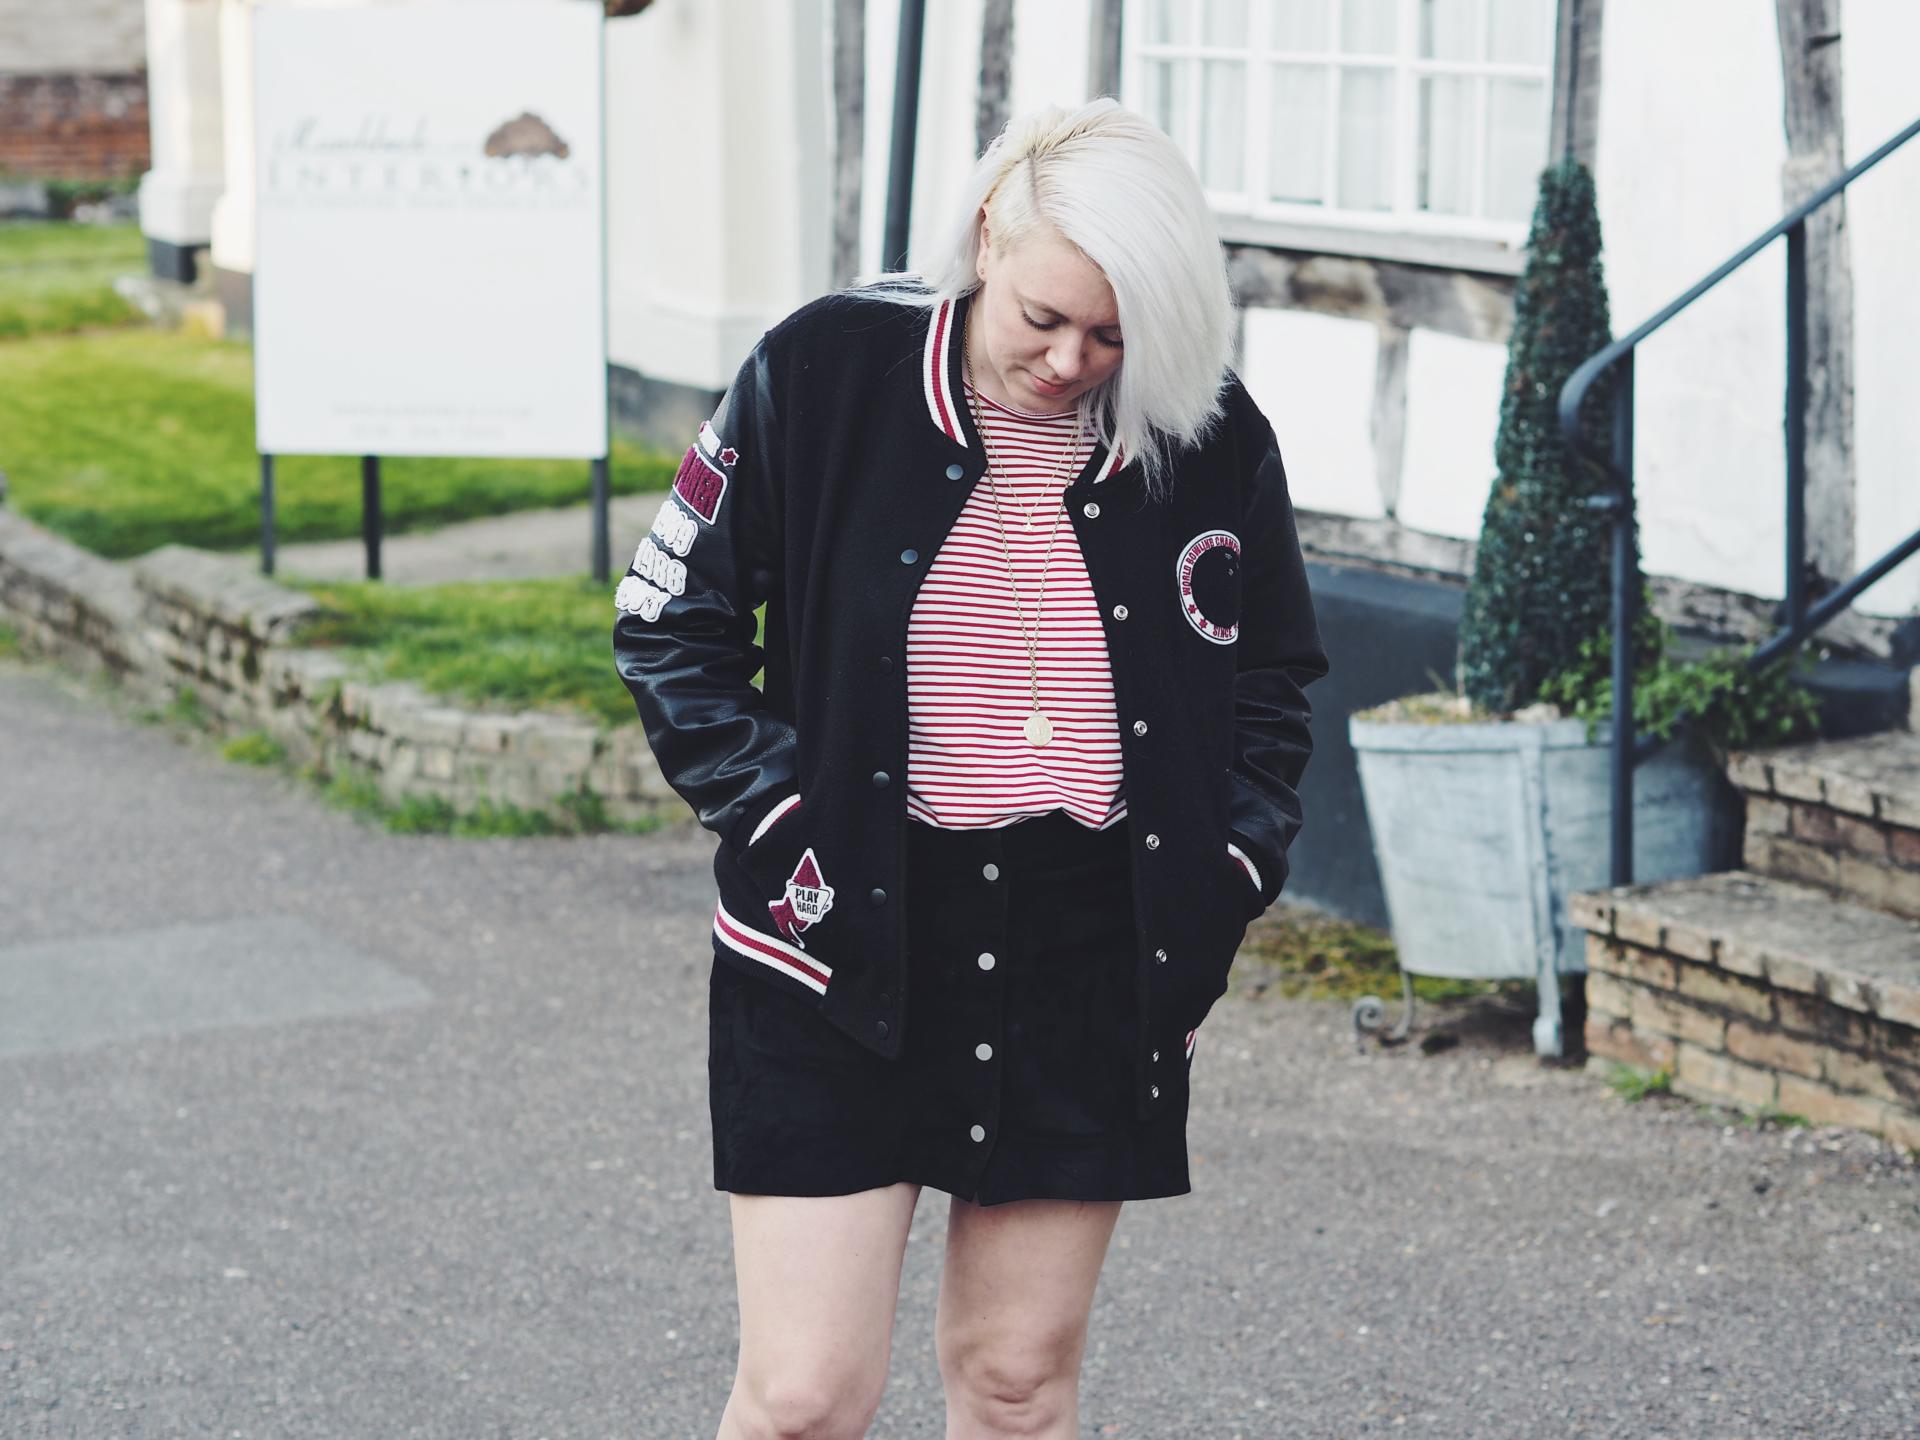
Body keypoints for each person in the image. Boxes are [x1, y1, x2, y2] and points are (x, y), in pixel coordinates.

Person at [613, 97, 1329, 1440]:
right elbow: (670, 626)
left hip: (1089, 948)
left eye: (1113, 336)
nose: (1070, 363)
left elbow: (1270, 682)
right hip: (834, 930)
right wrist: (781, 825)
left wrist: (1230, 864)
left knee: (1016, 1384)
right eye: (1045, 319)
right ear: (990, 233)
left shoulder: (1209, 431)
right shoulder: (824, 371)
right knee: (805, 1395)